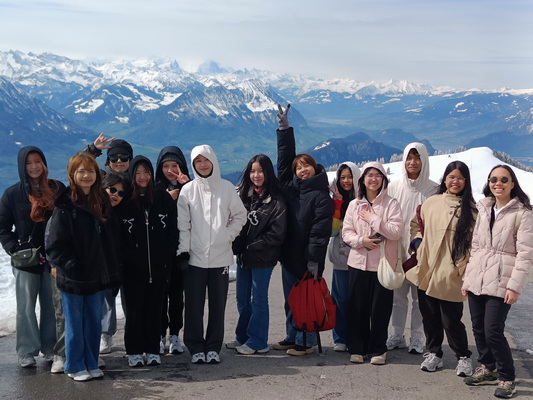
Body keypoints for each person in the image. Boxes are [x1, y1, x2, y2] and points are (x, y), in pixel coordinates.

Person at [45, 153, 121, 381]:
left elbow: (111, 238)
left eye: (90, 171)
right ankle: (74, 365)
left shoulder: (101, 201)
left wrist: (112, 268)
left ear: (97, 174)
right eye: (81, 171)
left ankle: (90, 362)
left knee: (94, 323)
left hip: (97, 275)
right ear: (72, 175)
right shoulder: (65, 204)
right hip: (73, 278)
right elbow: (54, 244)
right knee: (74, 325)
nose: (86, 175)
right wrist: (71, 267)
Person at [462, 165, 533, 399]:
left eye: (504, 179)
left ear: (513, 183)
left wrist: (515, 286)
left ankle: (506, 377)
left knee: (493, 329)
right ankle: (488, 367)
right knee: (478, 328)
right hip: (478, 277)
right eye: (493, 179)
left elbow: (525, 254)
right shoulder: (483, 208)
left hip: (503, 279)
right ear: (489, 182)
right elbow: (476, 247)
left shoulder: (522, 213)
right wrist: (468, 278)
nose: (498, 183)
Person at [272, 104, 334, 356]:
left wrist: (313, 261)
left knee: (306, 300)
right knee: (291, 299)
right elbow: (284, 160)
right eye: (299, 168)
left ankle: (306, 341)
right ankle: (292, 335)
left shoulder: (321, 196)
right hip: (289, 255)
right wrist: (284, 129)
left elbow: (319, 233)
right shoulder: (291, 187)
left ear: (315, 167)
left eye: (306, 165)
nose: (302, 169)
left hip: (307, 259)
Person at [406, 160, 476, 377]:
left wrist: (463, 268)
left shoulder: (472, 210)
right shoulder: (431, 202)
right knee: (430, 315)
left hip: (451, 272)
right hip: (427, 267)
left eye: (460, 178)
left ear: (466, 182)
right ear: (445, 179)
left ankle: (463, 356)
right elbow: (417, 225)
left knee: (451, 319)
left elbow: (475, 243)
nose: (455, 181)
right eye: (451, 177)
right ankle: (433, 352)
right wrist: (417, 241)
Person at [177, 144, 247, 364]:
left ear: (213, 161)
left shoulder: (226, 188)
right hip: (195, 258)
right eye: (198, 161)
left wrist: (227, 235)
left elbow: (240, 215)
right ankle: (195, 345)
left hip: (220, 259)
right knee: (194, 306)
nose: (203, 165)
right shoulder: (188, 190)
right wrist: (183, 251)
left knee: (218, 305)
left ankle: (213, 346)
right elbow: (183, 224)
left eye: (206, 160)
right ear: (193, 164)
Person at [0, 147, 63, 369]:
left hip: (53, 259)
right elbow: (3, 228)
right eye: (28, 163)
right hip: (26, 261)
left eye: (38, 161)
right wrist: (14, 249)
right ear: (22, 166)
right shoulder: (12, 193)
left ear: (44, 164)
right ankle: (26, 351)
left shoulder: (56, 188)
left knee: (51, 305)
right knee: (25, 307)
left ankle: (50, 348)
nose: (34, 166)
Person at [119, 156, 178, 368]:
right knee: (134, 313)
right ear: (132, 175)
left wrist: (168, 254)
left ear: (152, 174)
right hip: (132, 270)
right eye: (137, 173)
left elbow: (173, 229)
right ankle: (133, 351)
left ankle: (153, 349)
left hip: (159, 268)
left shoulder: (162, 198)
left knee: (155, 310)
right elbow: (118, 235)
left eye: (146, 172)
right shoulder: (124, 201)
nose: (142, 177)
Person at [342, 161, 403, 365]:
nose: (373, 179)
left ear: (384, 180)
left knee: (380, 308)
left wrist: (373, 218)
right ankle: (357, 348)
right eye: (369, 175)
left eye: (378, 175)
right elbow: (346, 232)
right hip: (358, 262)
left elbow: (396, 231)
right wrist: (362, 241)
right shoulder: (354, 204)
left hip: (382, 264)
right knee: (357, 307)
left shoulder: (391, 203)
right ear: (363, 179)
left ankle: (378, 348)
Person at [226, 154, 287, 355]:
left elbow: (276, 234)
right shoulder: (244, 196)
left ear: (268, 172)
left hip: (263, 258)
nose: (256, 175)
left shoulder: (276, 201)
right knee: (242, 299)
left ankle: (259, 341)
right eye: (252, 171)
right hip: (244, 256)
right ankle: (243, 336)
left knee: (258, 299)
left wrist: (251, 246)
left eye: (260, 171)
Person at [386, 143, 438, 354]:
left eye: (417, 158)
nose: (413, 162)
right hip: (397, 250)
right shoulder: (394, 186)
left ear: (424, 161)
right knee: (397, 297)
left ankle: (417, 337)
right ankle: (397, 334)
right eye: (409, 157)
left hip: (422, 253)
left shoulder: (433, 189)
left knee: (420, 299)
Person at [154, 146, 190, 355]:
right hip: (160, 252)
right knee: (159, 296)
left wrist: (187, 188)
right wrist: (167, 200)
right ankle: (159, 335)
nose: (170, 170)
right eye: (165, 166)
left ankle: (175, 335)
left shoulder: (191, 187)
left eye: (174, 165)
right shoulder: (155, 189)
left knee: (177, 297)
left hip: (182, 252)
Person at [327, 162, 360, 352]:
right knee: (340, 298)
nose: (346, 181)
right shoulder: (334, 201)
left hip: (361, 256)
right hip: (340, 256)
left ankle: (356, 336)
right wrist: (337, 205)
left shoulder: (365, 199)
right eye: (343, 177)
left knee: (358, 299)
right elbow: (332, 231)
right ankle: (339, 337)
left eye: (350, 177)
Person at [99, 173, 129, 355]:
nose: (115, 194)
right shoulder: (92, 211)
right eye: (112, 189)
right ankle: (101, 336)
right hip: (94, 268)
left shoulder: (120, 213)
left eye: (121, 193)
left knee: (108, 301)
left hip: (114, 267)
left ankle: (106, 335)